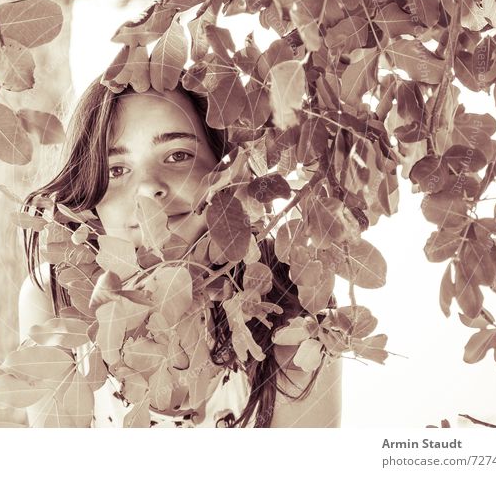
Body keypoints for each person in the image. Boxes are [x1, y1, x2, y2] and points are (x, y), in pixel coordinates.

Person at [17, 79, 342, 428]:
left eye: (178, 156)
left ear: (227, 171)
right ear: (92, 197)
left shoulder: (293, 308)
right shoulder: (54, 297)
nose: (147, 187)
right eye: (116, 170)